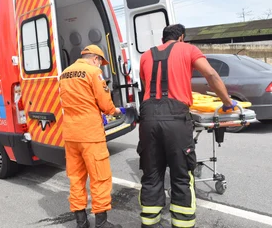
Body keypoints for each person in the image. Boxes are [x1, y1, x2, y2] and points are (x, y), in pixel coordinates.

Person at [137, 24, 236, 228]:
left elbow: (146, 85)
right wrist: (227, 102)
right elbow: (211, 75)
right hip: (175, 119)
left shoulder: (145, 55)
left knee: (151, 173)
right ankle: (182, 224)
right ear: (181, 37)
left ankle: (149, 223)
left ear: (163, 39)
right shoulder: (188, 49)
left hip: (148, 119)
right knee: (181, 175)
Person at [59, 44, 124, 228]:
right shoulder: (93, 72)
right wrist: (116, 111)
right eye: (100, 63)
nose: (100, 66)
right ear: (95, 58)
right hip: (90, 135)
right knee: (100, 178)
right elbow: (105, 104)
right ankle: (101, 223)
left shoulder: (64, 74)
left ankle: (81, 222)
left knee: (76, 178)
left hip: (71, 135)